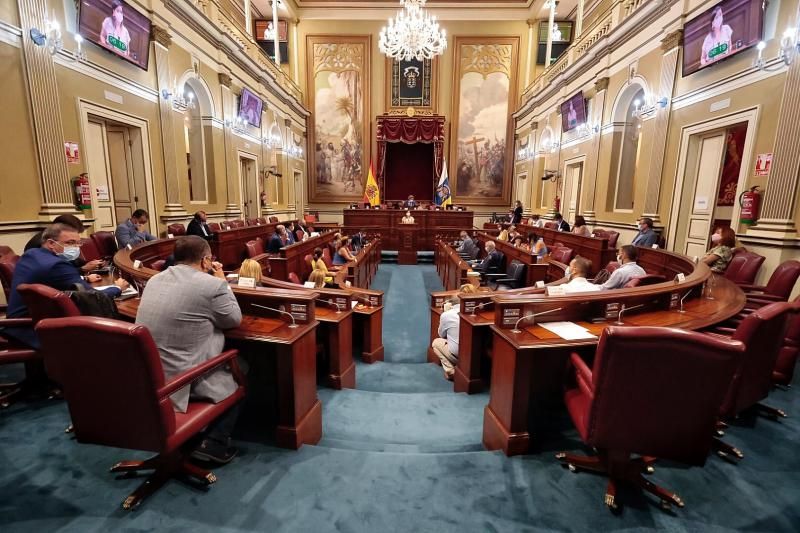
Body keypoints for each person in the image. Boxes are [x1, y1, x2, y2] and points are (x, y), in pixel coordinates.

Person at [136, 236, 243, 464]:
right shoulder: (212, 285)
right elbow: (233, 319)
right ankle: (214, 442)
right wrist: (222, 279)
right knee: (242, 366)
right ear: (206, 261)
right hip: (182, 381)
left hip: (147, 378)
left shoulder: (155, 280)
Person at [4, 224, 127, 348]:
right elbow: (94, 297)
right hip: (36, 329)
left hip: (19, 323)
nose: (75, 247)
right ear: (51, 243)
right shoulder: (56, 265)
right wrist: (117, 288)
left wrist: (83, 278)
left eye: (78, 243)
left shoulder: (32, 254)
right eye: (70, 243)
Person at [24, 214, 104, 274]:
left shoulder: (55, 240)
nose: (75, 245)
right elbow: (56, 273)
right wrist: (82, 269)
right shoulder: (40, 246)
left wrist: (89, 263)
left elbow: (72, 261)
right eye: (71, 241)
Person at [431, 296, 461, 380]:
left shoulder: (447, 315)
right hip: (476, 357)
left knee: (436, 343)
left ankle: (450, 370)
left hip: (457, 355)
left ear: (450, 304)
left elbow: (441, 335)